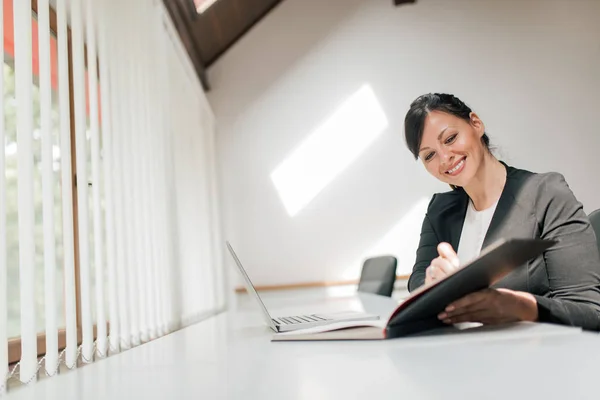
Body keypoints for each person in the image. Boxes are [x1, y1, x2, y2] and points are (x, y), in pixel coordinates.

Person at [404, 93, 600, 331]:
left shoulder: (545, 193)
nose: (445, 158)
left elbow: (590, 311)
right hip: (459, 357)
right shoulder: (440, 210)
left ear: (475, 124)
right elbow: (417, 283)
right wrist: (431, 284)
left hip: (535, 358)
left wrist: (522, 307)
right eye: (430, 155)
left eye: (450, 138)